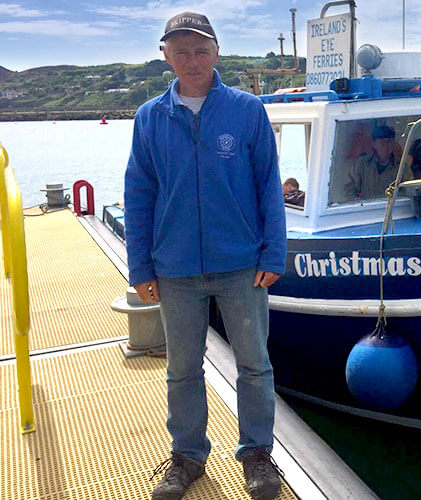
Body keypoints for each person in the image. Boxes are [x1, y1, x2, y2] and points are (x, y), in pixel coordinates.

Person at [124, 12, 286, 500]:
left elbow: (268, 186)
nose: (191, 60)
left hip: (241, 265)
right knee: (182, 369)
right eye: (180, 50)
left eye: (200, 50)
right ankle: (188, 456)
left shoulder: (247, 111)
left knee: (254, 364)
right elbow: (139, 192)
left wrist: (273, 252)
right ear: (166, 55)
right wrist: (140, 266)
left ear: (216, 53)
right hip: (174, 269)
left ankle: (257, 454)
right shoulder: (150, 116)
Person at [344, 124, 410, 199]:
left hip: (392, 208)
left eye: (389, 142)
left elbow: (409, 190)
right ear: (374, 143)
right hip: (368, 209)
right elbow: (349, 188)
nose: (386, 146)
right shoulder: (362, 164)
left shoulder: (401, 167)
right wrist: (358, 202)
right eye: (382, 143)